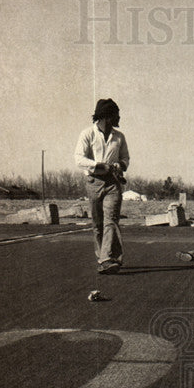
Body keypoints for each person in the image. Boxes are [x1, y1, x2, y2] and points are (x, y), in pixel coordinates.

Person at [74, 98, 129, 274]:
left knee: (111, 220)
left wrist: (120, 165)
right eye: (116, 114)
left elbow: (126, 157)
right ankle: (104, 258)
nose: (119, 117)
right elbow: (79, 159)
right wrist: (99, 165)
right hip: (93, 182)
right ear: (106, 116)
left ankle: (108, 259)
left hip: (113, 183)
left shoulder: (119, 137)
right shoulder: (87, 134)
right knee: (97, 223)